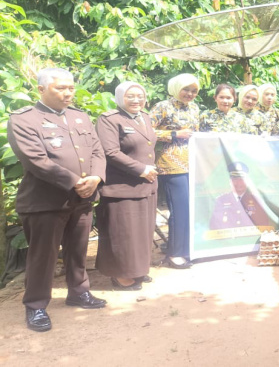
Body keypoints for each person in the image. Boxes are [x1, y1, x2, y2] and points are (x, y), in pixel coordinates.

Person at [8, 68, 107, 332]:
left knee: (78, 250)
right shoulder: (24, 119)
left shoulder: (80, 117)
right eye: (60, 88)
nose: (68, 93)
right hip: (45, 202)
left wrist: (96, 177)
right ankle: (36, 305)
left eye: (71, 88)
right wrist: (75, 182)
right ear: (41, 89)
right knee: (43, 256)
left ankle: (79, 292)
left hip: (82, 199)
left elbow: (97, 151)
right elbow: (36, 160)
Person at [95, 81, 158, 291]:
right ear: (120, 97)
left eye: (140, 96)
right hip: (121, 186)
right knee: (123, 233)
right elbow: (110, 152)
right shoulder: (109, 119)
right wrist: (140, 168)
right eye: (130, 96)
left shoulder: (145, 117)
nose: (136, 100)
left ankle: (137, 269)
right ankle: (120, 275)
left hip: (146, 184)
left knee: (142, 232)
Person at [151, 74, 200, 269]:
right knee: (180, 209)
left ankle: (185, 248)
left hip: (192, 164)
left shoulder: (194, 108)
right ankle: (175, 254)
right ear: (176, 88)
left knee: (189, 208)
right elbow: (145, 131)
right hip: (170, 164)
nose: (190, 94)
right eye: (186, 89)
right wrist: (174, 134)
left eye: (194, 91)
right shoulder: (162, 106)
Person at [210, 162, 271, 231]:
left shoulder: (257, 200)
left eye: (242, 179)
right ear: (230, 181)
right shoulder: (220, 201)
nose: (239, 182)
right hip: (227, 238)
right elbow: (214, 226)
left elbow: (264, 225)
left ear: (247, 181)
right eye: (235, 179)